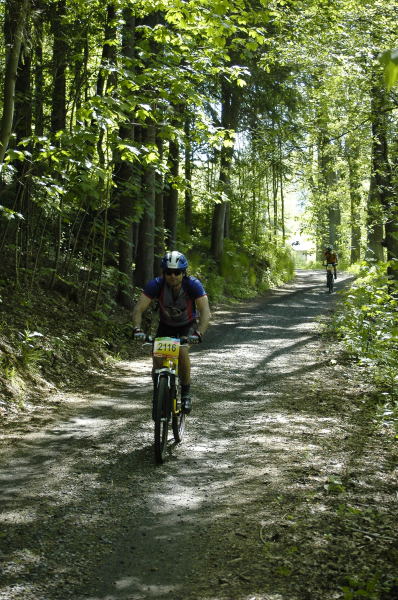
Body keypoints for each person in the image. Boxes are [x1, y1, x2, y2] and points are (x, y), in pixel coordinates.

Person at [132, 250, 211, 415]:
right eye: (169, 272)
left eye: (177, 272)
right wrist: (137, 329)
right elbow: (139, 308)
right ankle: (159, 391)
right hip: (166, 325)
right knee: (157, 358)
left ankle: (186, 392)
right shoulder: (156, 284)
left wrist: (199, 333)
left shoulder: (193, 285)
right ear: (164, 273)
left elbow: (205, 312)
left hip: (186, 325)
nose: (173, 276)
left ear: (184, 273)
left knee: (181, 351)